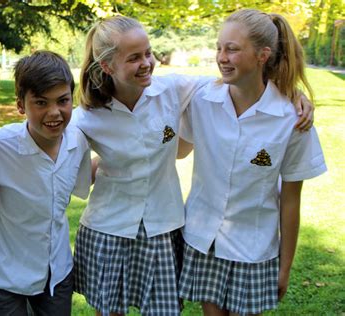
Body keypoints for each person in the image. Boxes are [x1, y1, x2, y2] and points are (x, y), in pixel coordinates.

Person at [72, 15, 315, 316]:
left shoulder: (176, 90)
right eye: (134, 57)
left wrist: (292, 93)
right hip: (137, 229)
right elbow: (73, 172)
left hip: (193, 231)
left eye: (147, 53)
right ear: (107, 66)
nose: (146, 62)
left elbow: (245, 83)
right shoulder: (87, 117)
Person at [177, 9, 327, 315]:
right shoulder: (202, 98)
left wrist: (284, 267)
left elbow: (290, 201)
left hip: (254, 248)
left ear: (263, 55)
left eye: (232, 49)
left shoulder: (291, 121)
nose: (222, 57)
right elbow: (178, 148)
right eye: (219, 47)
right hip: (204, 239)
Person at [0, 51, 92, 316]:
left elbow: (76, 184)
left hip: (56, 273)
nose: (54, 112)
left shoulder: (78, 142)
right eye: (41, 102)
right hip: (2, 277)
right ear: (20, 105)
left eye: (63, 101)